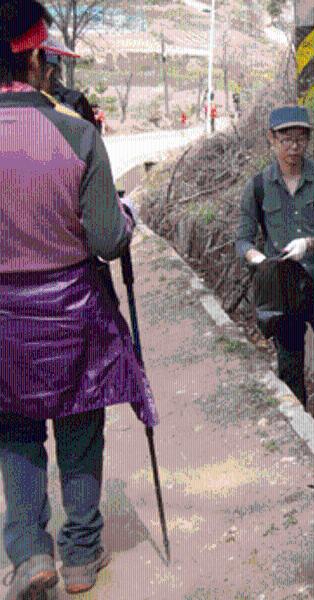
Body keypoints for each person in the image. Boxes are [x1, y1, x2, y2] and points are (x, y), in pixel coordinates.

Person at [0, 2, 158, 598]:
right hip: (69, 315)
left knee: (14, 432)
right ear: (37, 58)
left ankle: (29, 551)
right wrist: (127, 215)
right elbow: (109, 239)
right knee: (79, 430)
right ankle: (80, 556)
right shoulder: (76, 133)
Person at [236, 105, 314, 447]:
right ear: (272, 140)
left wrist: (311, 243)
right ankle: (302, 441)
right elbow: (243, 237)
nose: (294, 146)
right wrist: (258, 259)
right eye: (286, 139)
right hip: (284, 293)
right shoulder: (259, 186)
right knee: (290, 370)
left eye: (301, 138)